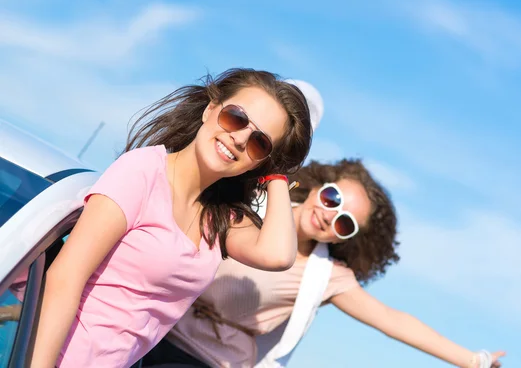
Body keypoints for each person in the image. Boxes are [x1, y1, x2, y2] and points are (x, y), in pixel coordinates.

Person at [29, 68, 313, 368]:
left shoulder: (219, 219)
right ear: (210, 109)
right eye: (236, 117)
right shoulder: (143, 172)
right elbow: (65, 278)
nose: (240, 139)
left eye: (260, 142)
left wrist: (276, 173)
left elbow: (278, 255)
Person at [141, 160, 506, 368]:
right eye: (333, 198)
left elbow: (392, 321)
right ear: (318, 187)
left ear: (347, 238)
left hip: (206, 360)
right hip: (153, 319)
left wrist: (473, 360)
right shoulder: (254, 198)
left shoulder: (327, 276)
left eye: (345, 222)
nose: (329, 215)